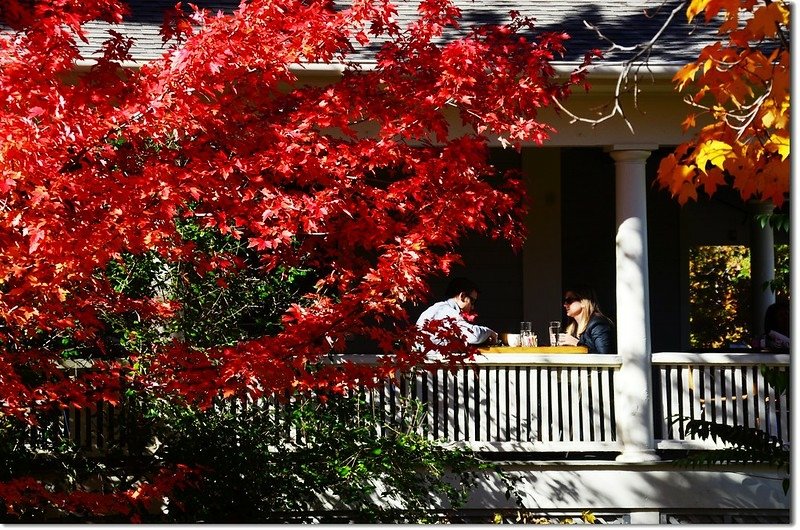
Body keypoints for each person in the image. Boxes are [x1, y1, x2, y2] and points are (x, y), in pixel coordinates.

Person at [415, 277, 498, 346]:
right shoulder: (448, 312)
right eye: (472, 301)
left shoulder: (437, 308)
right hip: (433, 363)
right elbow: (474, 335)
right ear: (462, 296)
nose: (473, 307)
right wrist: (489, 332)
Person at [560, 284, 615, 353]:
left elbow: (604, 356)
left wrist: (577, 343)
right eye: (564, 301)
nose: (565, 305)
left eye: (569, 300)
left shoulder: (598, 324)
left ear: (583, 302)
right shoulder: (572, 327)